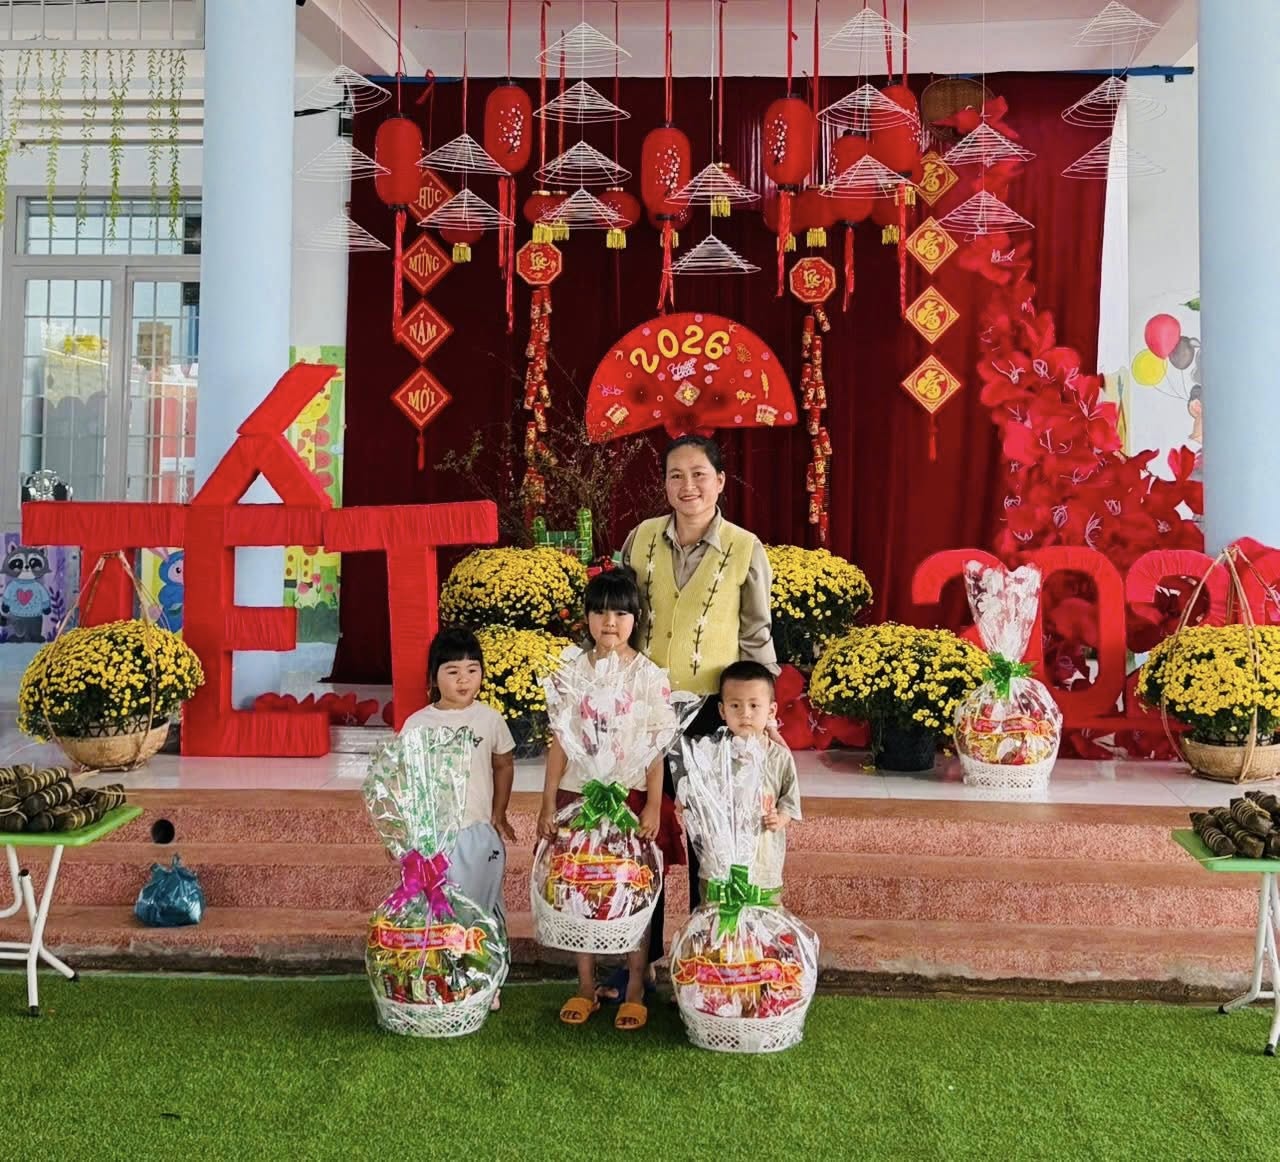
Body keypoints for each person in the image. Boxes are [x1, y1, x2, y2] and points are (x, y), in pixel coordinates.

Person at [614, 434, 779, 993]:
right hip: (644, 709)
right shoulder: (639, 539)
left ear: (721, 481)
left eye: (699, 474)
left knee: (713, 837)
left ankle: (709, 961)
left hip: (714, 714)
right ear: (664, 483)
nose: (688, 486)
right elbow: (620, 617)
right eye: (676, 475)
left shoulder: (744, 547)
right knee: (644, 832)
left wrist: (761, 716)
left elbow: (756, 634)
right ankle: (636, 963)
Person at [536, 569, 684, 1032]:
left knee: (632, 891)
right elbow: (560, 743)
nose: (610, 622)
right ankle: (585, 985)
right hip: (579, 796)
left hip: (631, 798)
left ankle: (635, 986)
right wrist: (547, 803)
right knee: (580, 888)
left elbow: (656, 748)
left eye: (621, 612)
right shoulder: (572, 672)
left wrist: (653, 804)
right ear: (586, 617)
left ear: (636, 618)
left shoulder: (649, 676)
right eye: (600, 612)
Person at [400, 627, 516, 1009]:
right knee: (438, 909)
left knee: (481, 907)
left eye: (472, 670)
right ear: (434, 677)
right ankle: (443, 978)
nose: (464, 679)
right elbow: (405, 779)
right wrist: (405, 832)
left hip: (477, 833)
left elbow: (503, 764)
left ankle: (487, 980)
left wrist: (499, 812)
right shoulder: (418, 724)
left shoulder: (490, 720)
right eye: (452, 671)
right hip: (434, 838)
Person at [709, 660, 801, 897]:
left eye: (754, 705)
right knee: (720, 913)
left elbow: (790, 800)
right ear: (722, 710)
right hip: (721, 860)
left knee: (764, 911)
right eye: (735, 705)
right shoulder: (712, 755)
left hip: (764, 861)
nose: (745, 714)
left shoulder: (779, 757)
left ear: (771, 711)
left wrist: (780, 819)